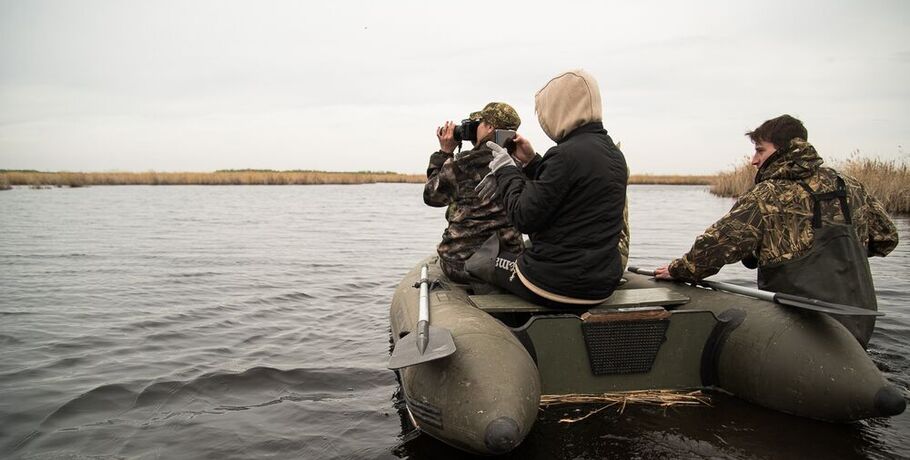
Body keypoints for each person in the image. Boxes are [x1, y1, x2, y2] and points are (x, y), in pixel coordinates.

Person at [655, 114, 898, 348]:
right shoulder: (849, 184)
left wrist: (680, 269)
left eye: (760, 150)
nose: (753, 160)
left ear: (786, 149)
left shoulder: (767, 194)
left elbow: (719, 244)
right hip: (859, 317)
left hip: (802, 322)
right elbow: (887, 238)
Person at [467, 69, 628, 307]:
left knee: (478, 261)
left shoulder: (564, 155)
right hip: (602, 285)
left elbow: (523, 217)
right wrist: (532, 162)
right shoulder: (614, 155)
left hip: (554, 285)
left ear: (559, 109)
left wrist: (505, 169)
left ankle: (496, 322)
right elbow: (565, 190)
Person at [423, 102, 524, 284]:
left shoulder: (462, 163)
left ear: (490, 127)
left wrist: (444, 152)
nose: (475, 128)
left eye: (480, 124)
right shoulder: (521, 165)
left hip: (461, 265)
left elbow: (432, 196)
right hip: (507, 263)